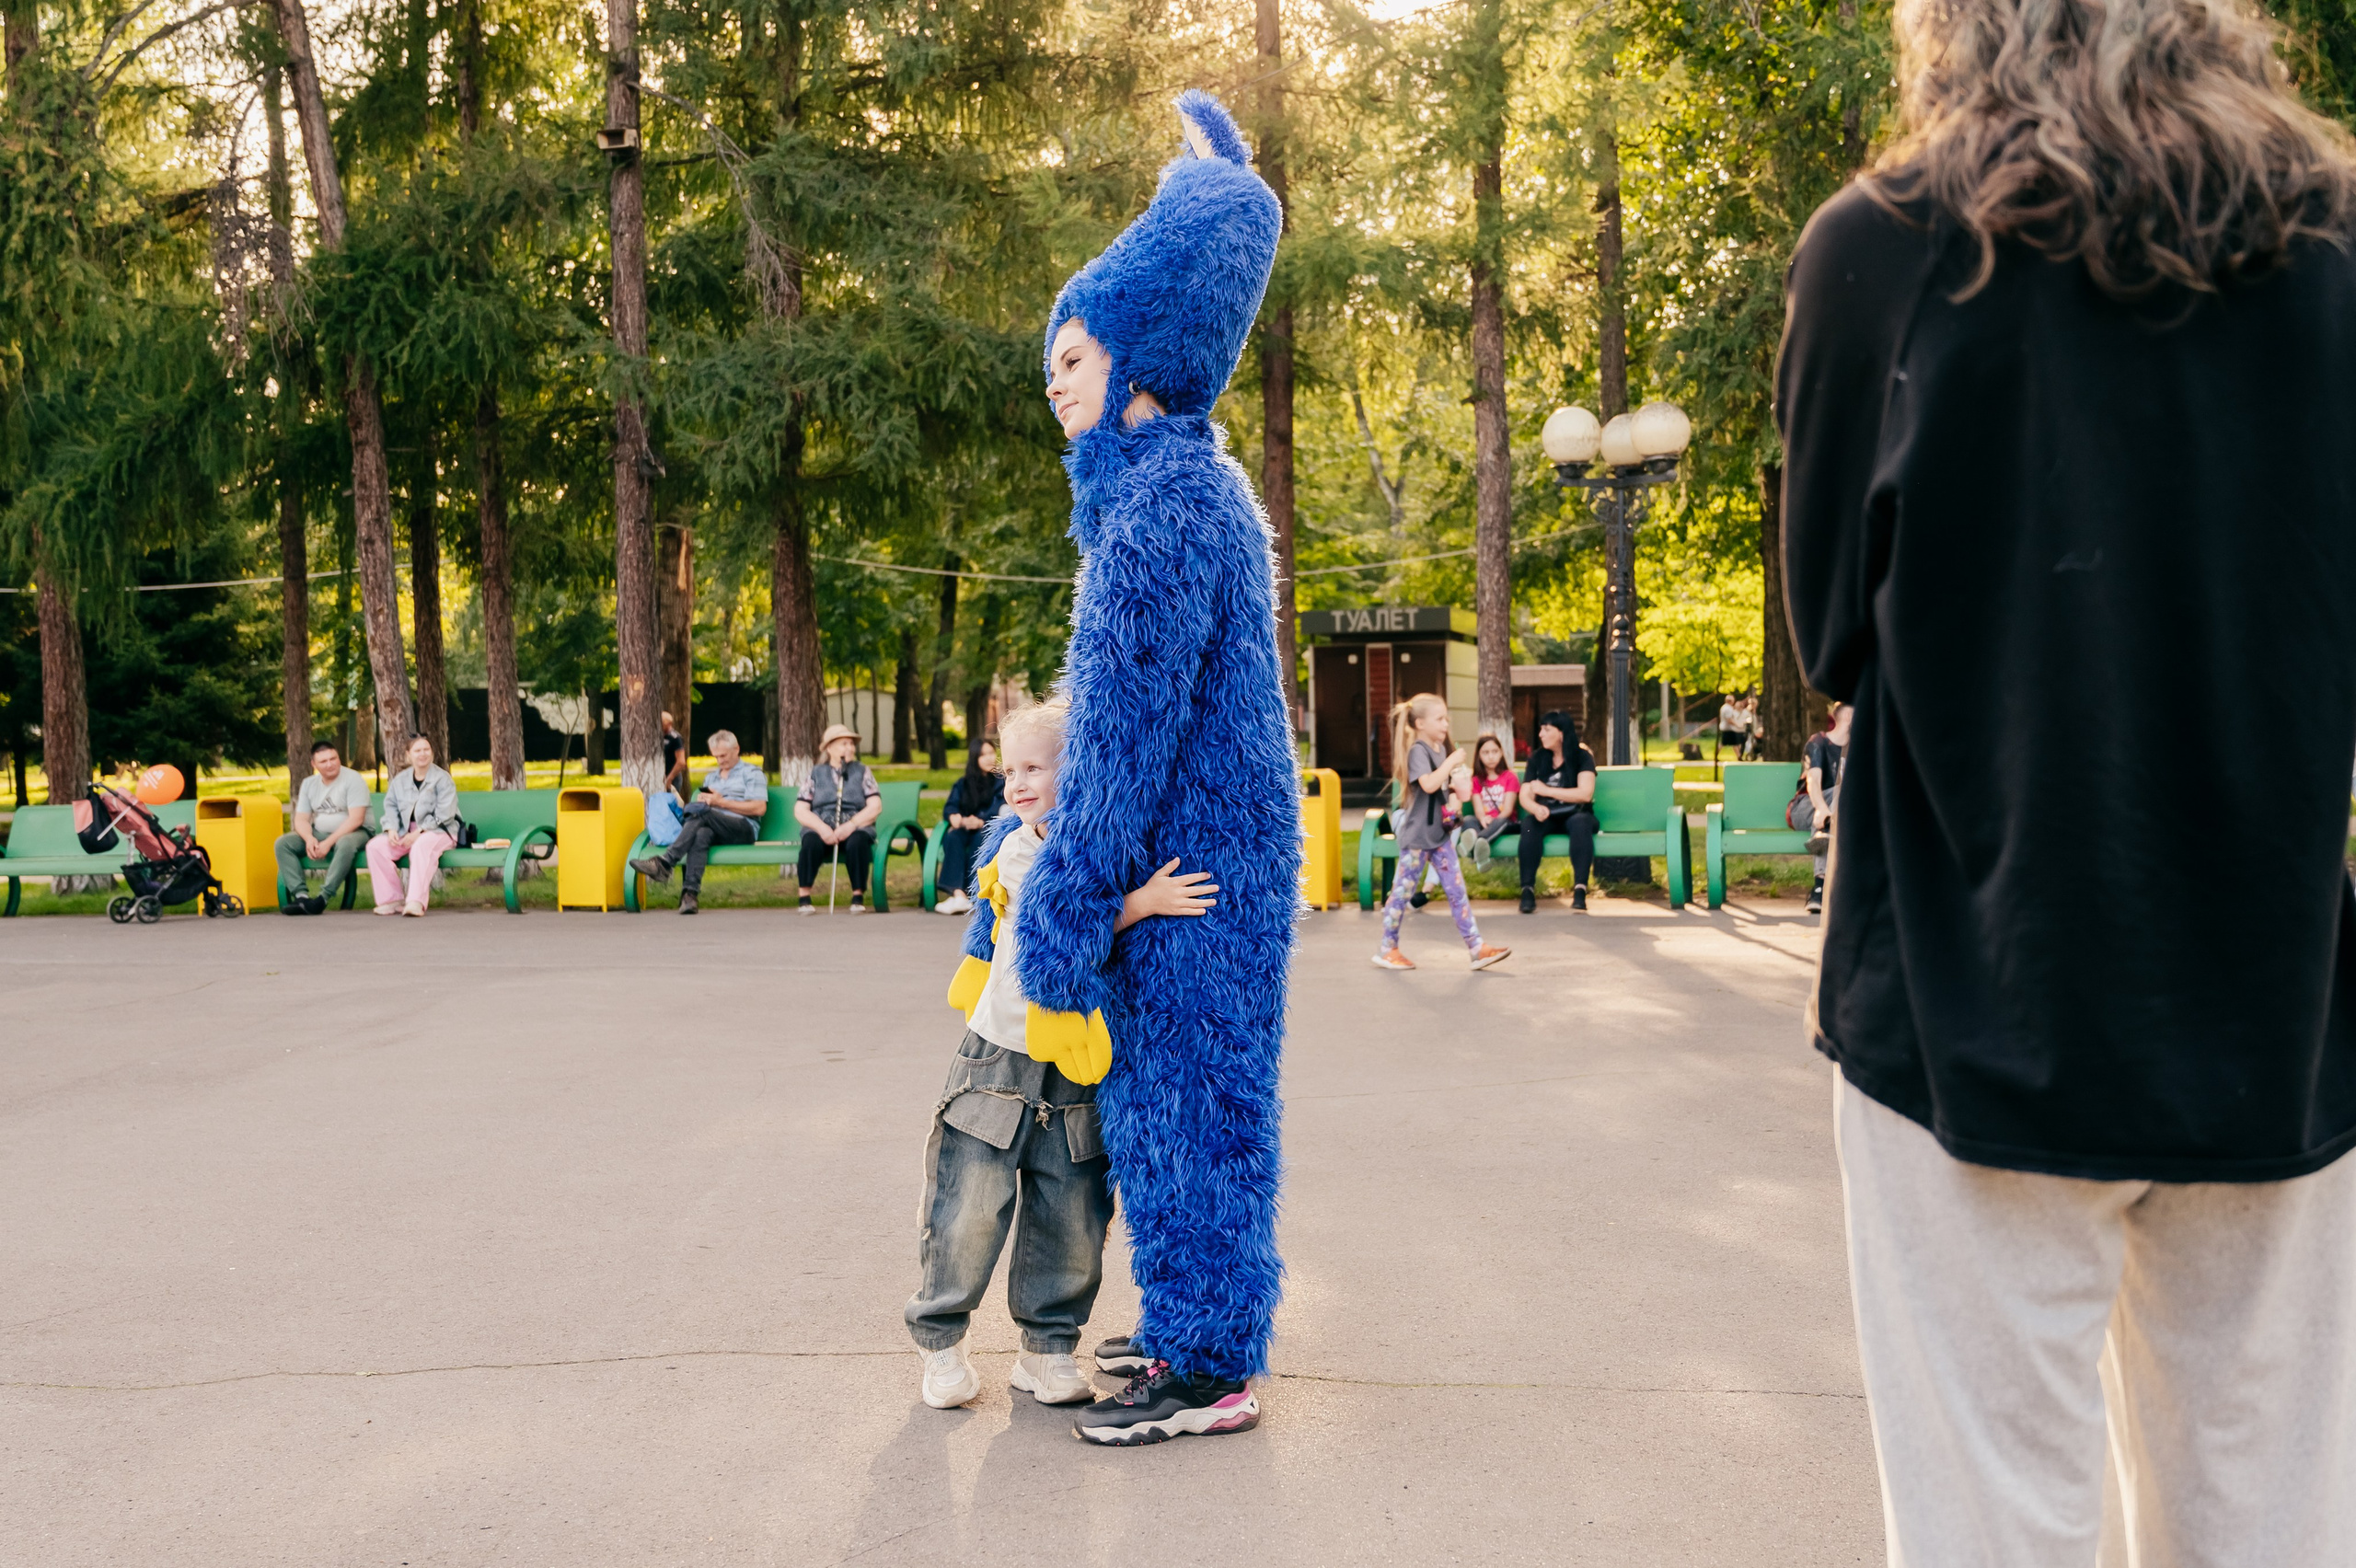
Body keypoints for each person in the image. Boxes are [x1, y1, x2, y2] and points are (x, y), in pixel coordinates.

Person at [1778, 0, 2356, 1557]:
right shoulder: (2335, 247)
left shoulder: (1881, 249)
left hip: (1971, 982)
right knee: (2271, 1522)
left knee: (1989, 1527)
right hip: (2273, 993)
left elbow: (1833, 626)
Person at [1014, 91, 1299, 1446]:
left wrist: (1064, 910)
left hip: (1190, 868)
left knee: (1194, 1109)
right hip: (1204, 863)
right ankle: (1194, 1331)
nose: (1054, 381)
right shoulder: (1176, 493)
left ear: (1136, 354)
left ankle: (1211, 1367)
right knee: (1183, 1106)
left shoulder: (1162, 510)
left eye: (1071, 355)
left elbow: (1120, 742)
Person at [910, 699, 1218, 1411]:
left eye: (1035, 768)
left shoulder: (1093, 837)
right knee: (968, 1203)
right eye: (1010, 768)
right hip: (1001, 1057)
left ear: (1076, 771)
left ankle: (1047, 1350)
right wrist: (1141, 901)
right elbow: (1065, 925)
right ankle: (942, 1343)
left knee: (1071, 1208)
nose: (1017, 783)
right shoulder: (1020, 849)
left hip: (1076, 1058)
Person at [1372, 693, 1511, 973]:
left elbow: (1452, 793)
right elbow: (1428, 784)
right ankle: (1388, 949)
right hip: (1417, 838)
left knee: (1457, 891)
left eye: (1447, 717)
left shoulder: (1440, 750)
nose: (1446, 723)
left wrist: (1460, 786)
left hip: (1440, 836)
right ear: (1420, 723)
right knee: (1402, 892)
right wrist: (1449, 765)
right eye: (1440, 718)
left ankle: (1476, 948)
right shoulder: (1419, 751)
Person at [627, 729, 766, 915]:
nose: (720, 761)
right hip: (714, 827)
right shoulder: (712, 777)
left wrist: (719, 802)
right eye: (716, 757)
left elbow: (758, 808)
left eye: (723, 755)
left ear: (737, 749)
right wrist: (708, 802)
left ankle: (666, 863)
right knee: (701, 833)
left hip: (743, 827)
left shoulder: (751, 773)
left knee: (702, 814)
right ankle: (689, 896)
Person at [364, 735, 462, 917]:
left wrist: (420, 831)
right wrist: (391, 829)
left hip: (440, 830)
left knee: (421, 846)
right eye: (417, 750)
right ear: (409, 755)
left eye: (426, 749)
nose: (422, 754)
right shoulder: (400, 780)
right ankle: (391, 900)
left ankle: (415, 902)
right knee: (375, 846)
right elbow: (391, 806)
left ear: (432, 752)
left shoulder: (442, 779)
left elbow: (445, 813)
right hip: (406, 831)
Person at [274, 739, 371, 915]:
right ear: (314, 764)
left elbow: (356, 819)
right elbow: (301, 819)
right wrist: (309, 838)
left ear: (339, 758)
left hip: (356, 832)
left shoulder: (353, 779)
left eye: (333, 759)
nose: (330, 764)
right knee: (283, 844)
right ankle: (301, 897)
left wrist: (328, 842)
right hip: (319, 833)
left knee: (346, 844)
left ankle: (323, 898)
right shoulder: (309, 784)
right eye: (323, 761)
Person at [1516, 709, 1597, 914]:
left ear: (1561, 733)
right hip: (1547, 814)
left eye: (1546, 729)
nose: (1541, 734)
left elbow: (1585, 794)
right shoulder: (1537, 758)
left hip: (1576, 813)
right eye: (1541, 730)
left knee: (1580, 823)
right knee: (1528, 826)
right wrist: (1535, 807)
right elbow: (1525, 795)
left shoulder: (1581, 756)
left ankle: (1580, 890)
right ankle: (1527, 890)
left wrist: (1547, 790)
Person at [794, 724, 880, 914]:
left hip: (855, 824)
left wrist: (850, 826)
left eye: (851, 744)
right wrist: (822, 828)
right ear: (829, 748)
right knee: (810, 842)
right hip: (822, 825)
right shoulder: (816, 773)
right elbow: (801, 809)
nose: (849, 748)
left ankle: (858, 896)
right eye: (844, 744)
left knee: (858, 842)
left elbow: (875, 806)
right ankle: (804, 896)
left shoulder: (862, 771)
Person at [1788, 701, 1849, 915]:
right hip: (1805, 807)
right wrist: (1822, 810)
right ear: (1847, 716)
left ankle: (1819, 890)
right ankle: (1820, 884)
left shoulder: (1861, 748)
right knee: (1842, 790)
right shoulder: (1819, 742)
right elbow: (1813, 781)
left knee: (1844, 795)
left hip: (1838, 814)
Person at [932, 737, 1003, 917]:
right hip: (965, 827)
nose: (989, 758)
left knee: (980, 838)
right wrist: (954, 816)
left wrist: (982, 820)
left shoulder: (1000, 781)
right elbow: (951, 805)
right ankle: (958, 894)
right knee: (953, 837)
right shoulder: (963, 783)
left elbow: (1001, 805)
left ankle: (974, 893)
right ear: (974, 759)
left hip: (987, 827)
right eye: (983, 755)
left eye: (990, 753)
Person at [1450, 732, 1519, 870]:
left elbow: (1507, 810)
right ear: (1479, 756)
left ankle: (1475, 842)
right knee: (1469, 819)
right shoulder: (1476, 780)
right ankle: (1478, 843)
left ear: (1501, 753)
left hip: (1504, 823)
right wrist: (1482, 818)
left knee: (1501, 821)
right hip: (1485, 823)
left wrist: (1492, 820)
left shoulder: (1510, 777)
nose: (1491, 756)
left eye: (1495, 751)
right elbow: (1478, 809)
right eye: (1485, 753)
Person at [660, 711, 687, 801]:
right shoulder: (657, 736)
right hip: (659, 775)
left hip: (671, 776)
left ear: (669, 724)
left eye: (662, 724)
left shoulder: (675, 738)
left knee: (670, 802)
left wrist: (670, 778)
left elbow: (681, 762)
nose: (659, 726)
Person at [1718, 694, 1747, 759]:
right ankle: (1739, 757)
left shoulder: (1724, 707)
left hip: (1726, 728)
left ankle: (1739, 756)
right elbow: (1729, 720)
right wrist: (1738, 725)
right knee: (1731, 743)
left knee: (1733, 743)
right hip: (1728, 728)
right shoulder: (1728, 709)